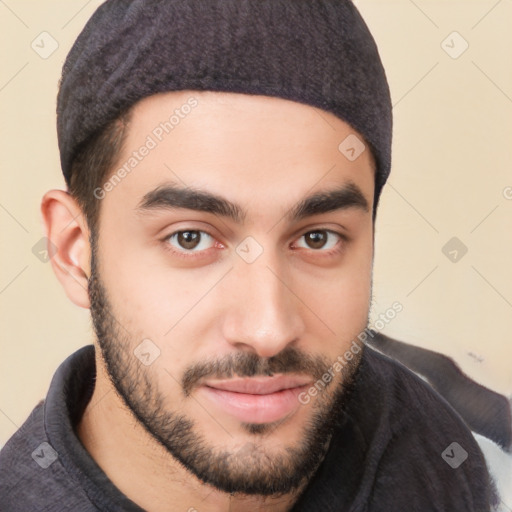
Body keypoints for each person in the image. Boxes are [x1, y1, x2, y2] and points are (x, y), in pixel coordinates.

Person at [0, 1, 499, 510]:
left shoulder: (445, 444)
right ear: (73, 251)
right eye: (190, 238)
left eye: (317, 238)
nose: (268, 330)